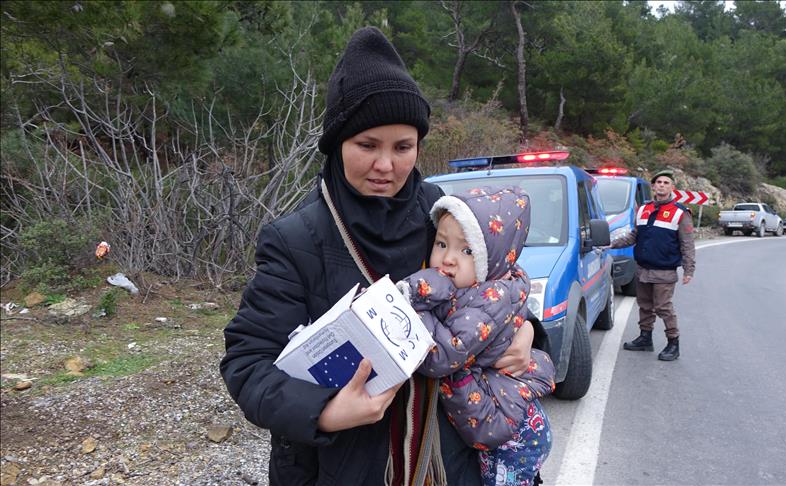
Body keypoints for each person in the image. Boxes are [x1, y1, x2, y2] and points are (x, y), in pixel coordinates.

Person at [219, 26, 535, 485]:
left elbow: (497, 287)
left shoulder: (444, 215)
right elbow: (247, 363)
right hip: (340, 469)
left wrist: (527, 333)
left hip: (448, 464)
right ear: (337, 144)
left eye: (403, 147)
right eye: (367, 145)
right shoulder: (295, 240)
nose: (386, 166)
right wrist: (325, 411)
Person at [398, 186, 554, 486]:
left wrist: (411, 307)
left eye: (467, 251)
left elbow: (442, 356)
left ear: (492, 260)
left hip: (508, 437)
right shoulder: (474, 286)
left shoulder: (490, 296)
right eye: (441, 244)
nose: (448, 259)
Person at [610, 169, 695, 361]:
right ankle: (645, 338)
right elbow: (634, 235)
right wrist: (612, 244)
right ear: (653, 186)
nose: (662, 185)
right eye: (659, 182)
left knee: (663, 307)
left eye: (666, 183)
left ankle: (673, 343)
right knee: (645, 305)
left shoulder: (680, 213)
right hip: (643, 269)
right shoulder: (643, 209)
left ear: (672, 188)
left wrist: (689, 269)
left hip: (664, 271)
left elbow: (687, 243)